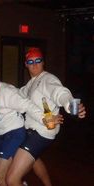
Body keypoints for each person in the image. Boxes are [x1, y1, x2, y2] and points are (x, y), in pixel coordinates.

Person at [6, 47, 86, 186]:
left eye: (38, 60)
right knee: (34, 159)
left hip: (42, 133)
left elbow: (59, 92)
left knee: (11, 179)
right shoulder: (31, 83)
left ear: (43, 62)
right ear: (26, 64)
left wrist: (70, 105)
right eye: (30, 61)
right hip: (31, 130)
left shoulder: (48, 79)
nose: (35, 64)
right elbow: (18, 94)